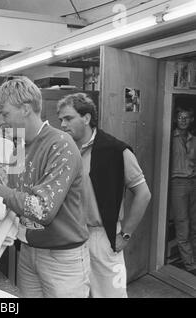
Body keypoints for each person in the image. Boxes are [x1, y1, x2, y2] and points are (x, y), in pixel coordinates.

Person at [0, 77, 90, 298]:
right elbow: (14, 199)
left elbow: (41, 210)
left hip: (61, 259)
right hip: (28, 250)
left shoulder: (60, 144)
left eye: (4, 114)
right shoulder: (19, 148)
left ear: (25, 108)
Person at [57, 93, 151, 297]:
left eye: (68, 118)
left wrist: (125, 234)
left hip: (102, 237)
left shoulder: (117, 151)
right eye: (61, 119)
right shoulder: (65, 150)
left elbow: (143, 194)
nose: (63, 124)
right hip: (71, 237)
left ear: (87, 118)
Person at [169, 107, 196, 275]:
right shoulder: (171, 138)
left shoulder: (194, 140)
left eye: (186, 117)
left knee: (194, 223)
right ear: (175, 120)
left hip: (193, 182)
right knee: (182, 224)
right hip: (177, 183)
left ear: (192, 120)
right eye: (180, 117)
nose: (183, 120)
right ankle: (190, 264)